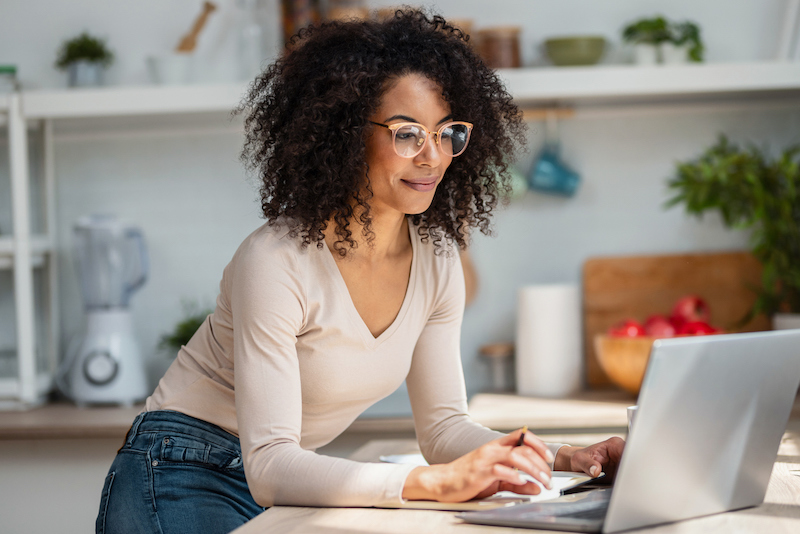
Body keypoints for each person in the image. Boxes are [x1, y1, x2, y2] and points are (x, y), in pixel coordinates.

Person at [96, 10, 624, 534]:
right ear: (345, 132)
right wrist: (434, 483)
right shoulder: (277, 260)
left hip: (286, 481)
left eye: (447, 133)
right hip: (178, 466)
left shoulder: (437, 258)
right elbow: (271, 463)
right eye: (407, 133)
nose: (432, 157)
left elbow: (443, 429)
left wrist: (568, 458)